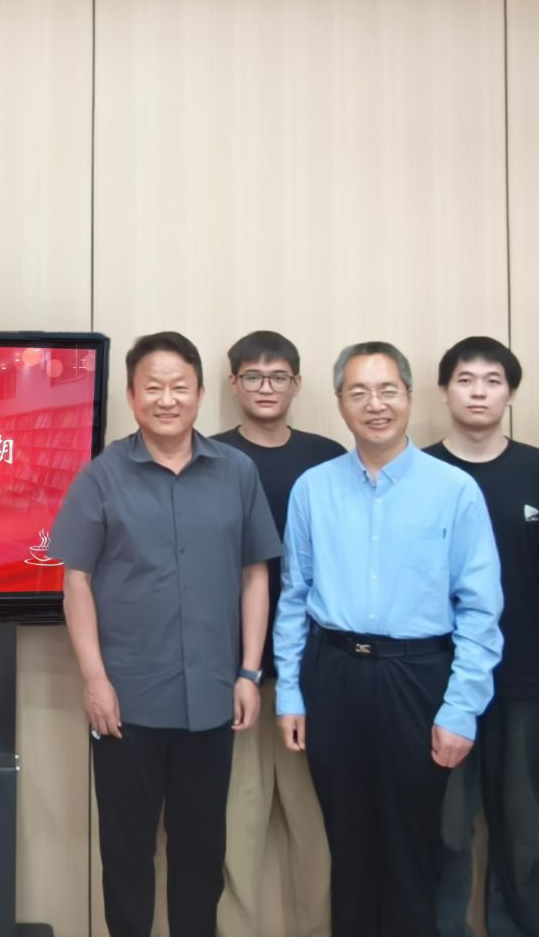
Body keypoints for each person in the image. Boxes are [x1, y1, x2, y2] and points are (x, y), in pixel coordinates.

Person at [55, 331, 282, 937]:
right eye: (152, 387)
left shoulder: (236, 472)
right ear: (131, 396)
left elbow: (254, 574)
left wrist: (249, 671)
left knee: (201, 855)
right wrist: (95, 681)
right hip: (125, 702)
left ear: (201, 394)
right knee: (127, 854)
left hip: (211, 697)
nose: (166, 399)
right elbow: (76, 583)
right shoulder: (101, 477)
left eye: (179, 387)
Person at [273, 341, 503, 937]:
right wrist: (290, 693)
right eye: (359, 393)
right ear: (340, 402)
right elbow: (294, 596)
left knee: (413, 846)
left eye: (387, 391)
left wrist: (461, 709)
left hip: (418, 677)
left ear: (409, 396)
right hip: (334, 673)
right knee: (347, 846)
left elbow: (480, 610)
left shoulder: (453, 490)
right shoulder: (312, 489)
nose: (375, 405)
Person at [425, 337, 539, 937]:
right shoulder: (420, 472)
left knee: (519, 830)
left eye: (493, 381)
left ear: (510, 393)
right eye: (465, 380)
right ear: (445, 390)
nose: (479, 392)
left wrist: (496, 615)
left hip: (522, 678)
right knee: (444, 830)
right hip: (436, 679)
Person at [212, 331, 343, 937]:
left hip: (315, 672)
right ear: (233, 383)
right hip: (232, 672)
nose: (266, 387)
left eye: (278, 376)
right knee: (236, 825)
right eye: (253, 376)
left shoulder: (329, 458)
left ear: (297, 383)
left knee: (317, 826)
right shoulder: (210, 456)